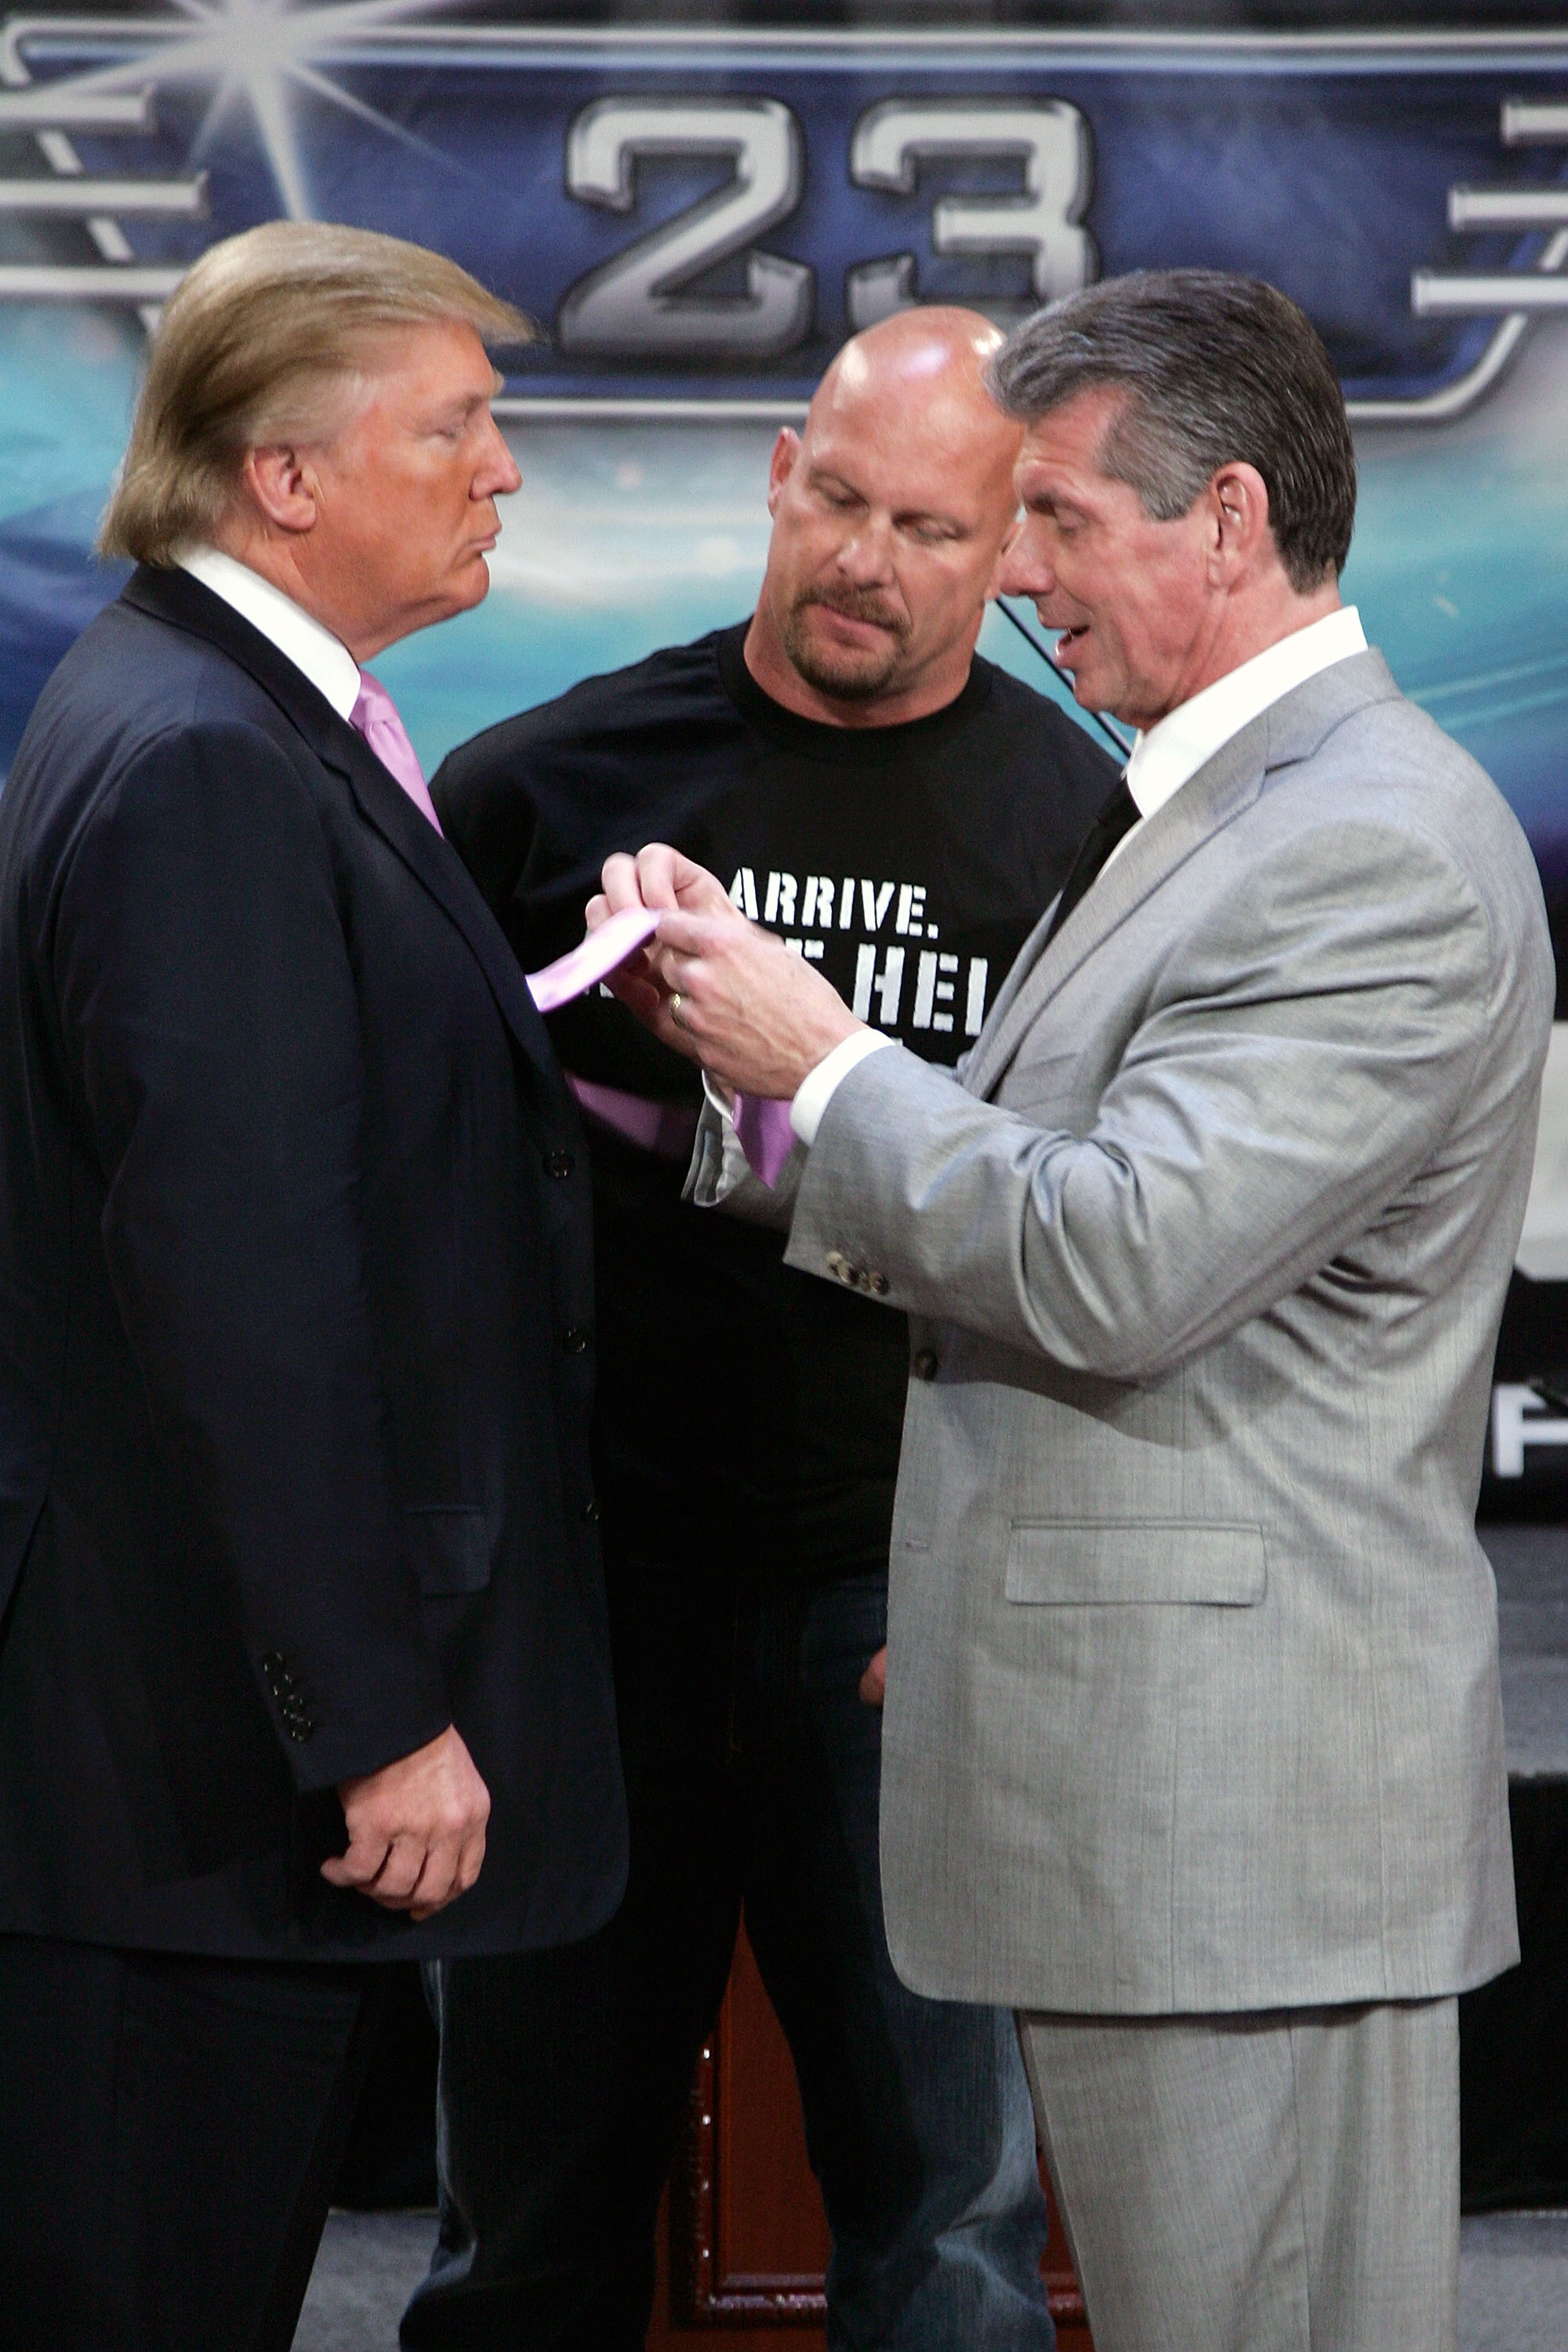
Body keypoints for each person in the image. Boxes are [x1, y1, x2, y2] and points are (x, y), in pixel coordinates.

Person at [600, 270, 1554, 2352]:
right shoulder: (1218, 806)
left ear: (1225, 518)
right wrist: (763, 1072)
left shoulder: (1361, 845)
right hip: (1187, 1811)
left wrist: (820, 1059)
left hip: (1244, 1839)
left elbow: (1115, 1256)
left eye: (1053, 522)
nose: (1010, 576)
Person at [412, 307, 1116, 2350]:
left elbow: (1089, 1244)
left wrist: (989, 1579)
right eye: (836, 498)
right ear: (776, 472)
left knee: (950, 2228)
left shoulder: (1087, 841)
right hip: (593, 1597)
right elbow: (428, 1201)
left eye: (927, 523)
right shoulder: (538, 789)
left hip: (893, 1608)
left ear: (1012, 549)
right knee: (529, 2220)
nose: (864, 562)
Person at [0, 220, 626, 2352]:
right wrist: (372, 1722)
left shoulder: (225, 714)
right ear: (283, 474)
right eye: (454, 427)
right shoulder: (201, 758)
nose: (500, 472)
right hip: (175, 1782)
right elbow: (241, 1301)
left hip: (164, 1757)